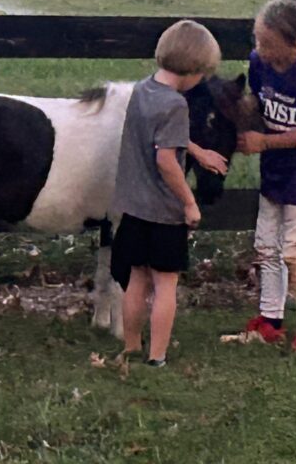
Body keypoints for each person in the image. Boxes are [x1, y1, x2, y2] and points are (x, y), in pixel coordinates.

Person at [110, 19, 224, 367]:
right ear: (192, 72)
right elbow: (166, 160)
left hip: (133, 208)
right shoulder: (176, 104)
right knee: (165, 286)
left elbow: (158, 135)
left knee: (136, 282)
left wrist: (197, 150)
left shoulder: (142, 90)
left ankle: (130, 346)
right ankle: (157, 356)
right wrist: (189, 203)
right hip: (163, 212)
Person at [236, 0, 296, 353]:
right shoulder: (259, 64)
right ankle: (269, 319)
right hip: (273, 173)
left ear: (293, 43)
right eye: (257, 40)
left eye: (267, 43)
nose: (259, 49)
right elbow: (258, 102)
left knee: (295, 250)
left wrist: (264, 141)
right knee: (266, 247)